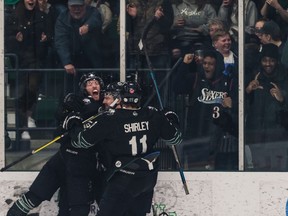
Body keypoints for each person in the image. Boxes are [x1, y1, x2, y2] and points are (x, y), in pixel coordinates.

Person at [63, 81, 182, 216]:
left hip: (123, 179)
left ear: (121, 98)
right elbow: (175, 139)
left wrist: (74, 122)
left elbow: (81, 141)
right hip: (147, 179)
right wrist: (171, 117)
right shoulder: (153, 115)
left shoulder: (111, 119)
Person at [6, 73, 105, 216]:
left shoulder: (106, 107)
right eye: (90, 83)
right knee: (34, 196)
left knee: (77, 206)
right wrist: (69, 118)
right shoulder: (74, 101)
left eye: (96, 83)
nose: (94, 85)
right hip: (63, 158)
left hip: (83, 165)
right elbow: (58, 132)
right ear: (83, 88)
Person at [173, 50, 238, 170]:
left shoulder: (228, 81)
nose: (207, 67)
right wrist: (185, 64)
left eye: (211, 64)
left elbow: (239, 106)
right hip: (196, 137)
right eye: (205, 63)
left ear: (217, 65)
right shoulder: (196, 78)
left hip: (219, 140)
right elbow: (177, 87)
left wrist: (232, 104)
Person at [5, 0, 54, 140]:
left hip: (36, 60)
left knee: (31, 89)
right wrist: (15, 39)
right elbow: (7, 39)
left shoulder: (43, 16)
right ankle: (24, 126)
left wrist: (46, 38)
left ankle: (27, 120)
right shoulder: (14, 16)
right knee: (22, 94)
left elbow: (51, 36)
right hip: (20, 61)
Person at [245, 43, 288, 170]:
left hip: (278, 138)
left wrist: (283, 98)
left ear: (277, 61)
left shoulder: (285, 77)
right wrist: (248, 91)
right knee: (259, 170)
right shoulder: (253, 76)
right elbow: (241, 107)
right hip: (257, 136)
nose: (268, 64)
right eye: (265, 60)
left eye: (271, 60)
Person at [125, 0, 174, 107]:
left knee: (159, 87)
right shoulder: (131, 2)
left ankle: (160, 112)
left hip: (158, 50)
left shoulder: (163, 2)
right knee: (136, 86)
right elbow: (126, 27)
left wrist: (159, 18)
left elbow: (168, 25)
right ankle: (137, 111)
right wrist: (131, 17)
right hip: (137, 51)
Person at [54, 0, 103, 93]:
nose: (76, 10)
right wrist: (66, 62)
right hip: (72, 63)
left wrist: (88, 26)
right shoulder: (62, 18)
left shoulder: (93, 12)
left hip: (93, 62)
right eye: (73, 6)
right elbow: (61, 41)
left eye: (79, 6)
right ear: (68, 6)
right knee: (70, 92)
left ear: (85, 6)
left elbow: (96, 19)